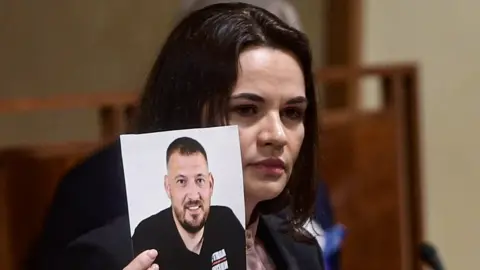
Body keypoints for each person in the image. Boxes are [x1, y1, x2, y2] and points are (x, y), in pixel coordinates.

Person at [28, 3, 324, 269]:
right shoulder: (106, 256)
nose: (277, 135)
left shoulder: (300, 249)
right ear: (189, 112)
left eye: (292, 113)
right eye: (246, 109)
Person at [131, 137, 245, 269]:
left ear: (211, 184)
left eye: (200, 180)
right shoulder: (146, 237)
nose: (193, 195)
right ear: (168, 188)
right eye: (181, 182)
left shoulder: (227, 222)